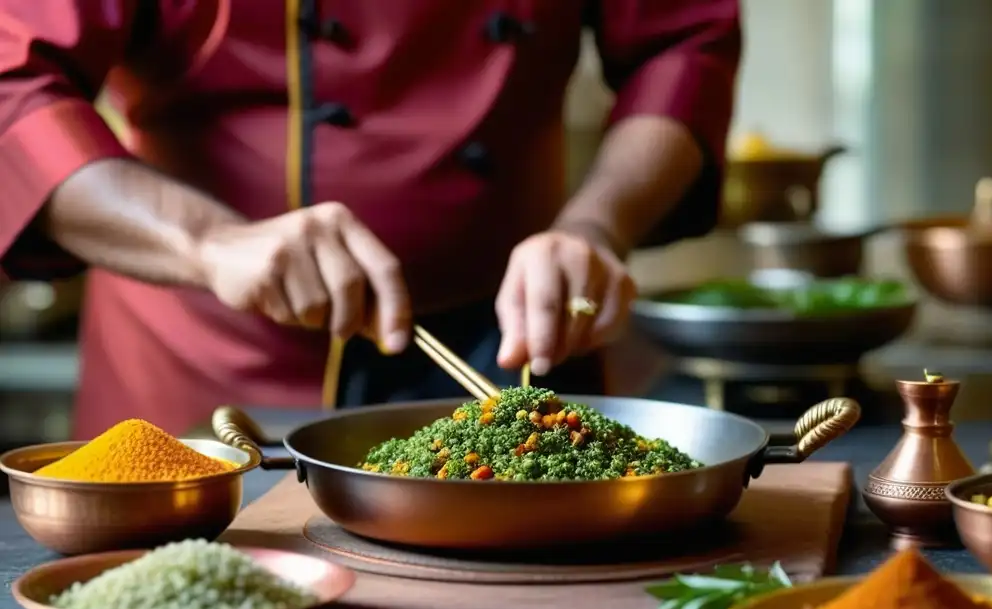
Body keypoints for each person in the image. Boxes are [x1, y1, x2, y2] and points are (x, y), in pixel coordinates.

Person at [0, 1, 741, 439]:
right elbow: (15, 85)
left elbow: (684, 40)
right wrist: (211, 243)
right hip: (215, 370)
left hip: (523, 342)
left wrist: (597, 225)